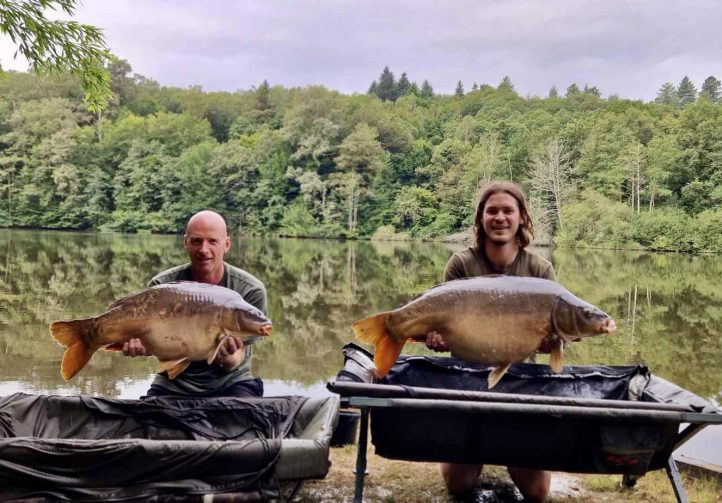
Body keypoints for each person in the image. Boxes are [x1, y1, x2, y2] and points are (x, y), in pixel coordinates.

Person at [425, 181, 554, 502]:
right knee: (459, 485)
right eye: (491, 210)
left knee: (537, 493)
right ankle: (470, 448)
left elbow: (554, 334)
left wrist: (551, 342)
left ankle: (509, 450)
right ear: (480, 217)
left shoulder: (539, 268)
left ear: (521, 217)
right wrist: (438, 336)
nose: (500, 217)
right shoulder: (460, 264)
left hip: (521, 381)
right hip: (466, 378)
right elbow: (447, 320)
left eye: (508, 210)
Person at [123, 210, 268, 398]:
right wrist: (144, 344)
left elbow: (236, 360)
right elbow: (163, 352)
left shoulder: (250, 290)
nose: (203, 250)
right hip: (173, 383)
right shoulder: (161, 287)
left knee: (241, 421)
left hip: (231, 382)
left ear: (227, 244)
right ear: (185, 242)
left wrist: (227, 357)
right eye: (196, 241)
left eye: (212, 241)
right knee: (147, 423)